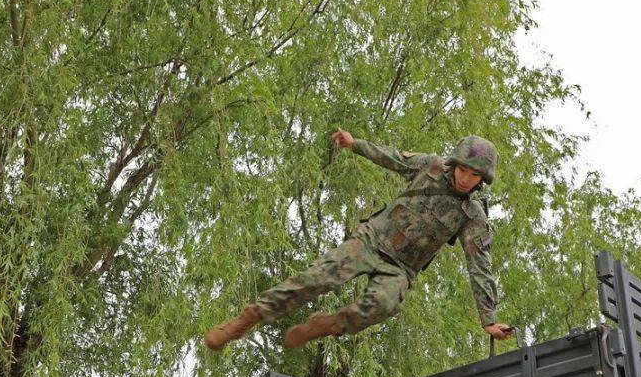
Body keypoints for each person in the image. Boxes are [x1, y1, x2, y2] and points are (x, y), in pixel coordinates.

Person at [204, 128, 515, 350]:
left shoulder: (472, 216)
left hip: (401, 269)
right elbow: (392, 157)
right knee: (317, 277)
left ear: (481, 181)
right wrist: (355, 144)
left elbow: (480, 266)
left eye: (474, 176)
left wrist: (489, 318)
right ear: (455, 164)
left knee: (383, 304)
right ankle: (247, 319)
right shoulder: (430, 166)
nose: (465, 178)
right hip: (372, 240)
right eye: (463, 169)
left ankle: (324, 325)